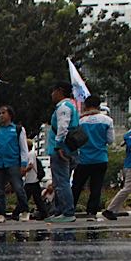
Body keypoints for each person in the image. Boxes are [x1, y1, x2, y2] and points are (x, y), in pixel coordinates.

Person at [72, 96, 115, 220]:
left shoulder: (80, 121)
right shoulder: (107, 120)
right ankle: (91, 212)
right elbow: (110, 140)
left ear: (85, 105)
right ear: (99, 106)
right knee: (96, 187)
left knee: (77, 186)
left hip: (83, 159)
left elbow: (75, 140)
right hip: (100, 158)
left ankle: (70, 209)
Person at [46, 82, 80, 223]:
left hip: (61, 149)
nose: (52, 95)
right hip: (70, 148)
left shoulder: (63, 107)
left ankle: (67, 212)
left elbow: (62, 127)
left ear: (60, 91)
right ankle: (59, 211)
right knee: (60, 181)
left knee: (62, 181)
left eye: (53, 91)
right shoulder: (72, 106)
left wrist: (58, 146)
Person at [24, 139, 48, 220]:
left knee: (25, 197)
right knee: (37, 199)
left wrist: (23, 172)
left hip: (31, 180)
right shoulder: (31, 154)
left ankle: (17, 212)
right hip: (33, 179)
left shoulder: (30, 154)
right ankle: (44, 213)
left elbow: (30, 166)